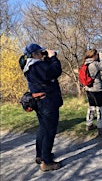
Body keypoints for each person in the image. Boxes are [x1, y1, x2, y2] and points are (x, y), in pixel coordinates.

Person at [20, 43, 63, 172]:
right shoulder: (37, 66)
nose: (42, 54)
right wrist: (53, 57)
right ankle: (46, 162)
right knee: (50, 131)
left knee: (43, 129)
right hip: (47, 102)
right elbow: (55, 71)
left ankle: (41, 155)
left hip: (40, 101)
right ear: (34, 54)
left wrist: (47, 59)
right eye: (40, 52)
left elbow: (47, 73)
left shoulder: (31, 66)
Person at [83, 49, 102, 136]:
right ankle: (100, 127)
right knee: (100, 108)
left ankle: (89, 124)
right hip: (97, 89)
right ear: (94, 55)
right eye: (96, 55)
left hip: (88, 89)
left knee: (91, 107)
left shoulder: (85, 64)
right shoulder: (94, 64)